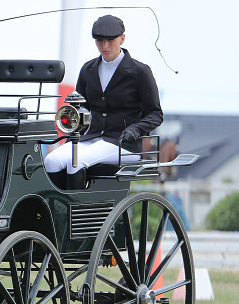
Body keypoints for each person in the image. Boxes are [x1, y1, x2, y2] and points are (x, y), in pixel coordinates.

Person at [44, 15, 163, 189]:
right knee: (51, 160)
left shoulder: (140, 72)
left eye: (110, 40)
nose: (105, 46)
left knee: (75, 162)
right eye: (99, 41)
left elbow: (156, 114)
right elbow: (80, 108)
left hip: (123, 143)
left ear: (122, 38)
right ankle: (57, 211)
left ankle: (76, 213)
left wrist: (135, 130)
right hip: (91, 138)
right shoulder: (88, 70)